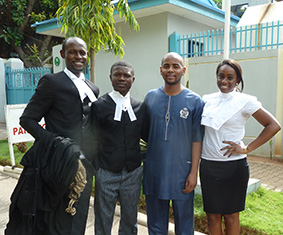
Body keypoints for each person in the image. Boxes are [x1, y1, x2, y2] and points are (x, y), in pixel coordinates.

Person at [6, 37, 99, 235]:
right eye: (73, 52)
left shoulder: (93, 88)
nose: (79, 56)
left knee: (78, 216)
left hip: (85, 166)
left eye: (82, 52)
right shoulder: (52, 82)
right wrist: (56, 143)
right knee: (57, 220)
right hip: (58, 163)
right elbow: (28, 119)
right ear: (63, 54)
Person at [200, 59, 281, 235]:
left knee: (230, 216)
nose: (224, 81)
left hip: (233, 168)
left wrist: (246, 149)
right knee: (212, 216)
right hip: (208, 166)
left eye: (230, 77)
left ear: (237, 80)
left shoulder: (245, 101)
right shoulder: (207, 100)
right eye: (221, 76)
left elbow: (273, 125)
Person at [143, 52, 204, 235]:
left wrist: (194, 172)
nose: (171, 70)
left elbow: (197, 139)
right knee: (155, 225)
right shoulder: (150, 98)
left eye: (176, 66)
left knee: (185, 226)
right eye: (167, 65)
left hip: (182, 172)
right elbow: (146, 133)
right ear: (160, 70)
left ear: (183, 70)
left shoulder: (195, 101)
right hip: (154, 171)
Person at [91, 61, 148, 234]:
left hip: (132, 171)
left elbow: (147, 135)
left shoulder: (140, 107)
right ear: (111, 77)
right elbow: (92, 139)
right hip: (106, 170)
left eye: (126, 75)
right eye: (118, 74)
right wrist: (97, 168)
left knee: (130, 219)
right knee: (103, 217)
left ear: (133, 79)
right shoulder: (99, 105)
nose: (122, 78)